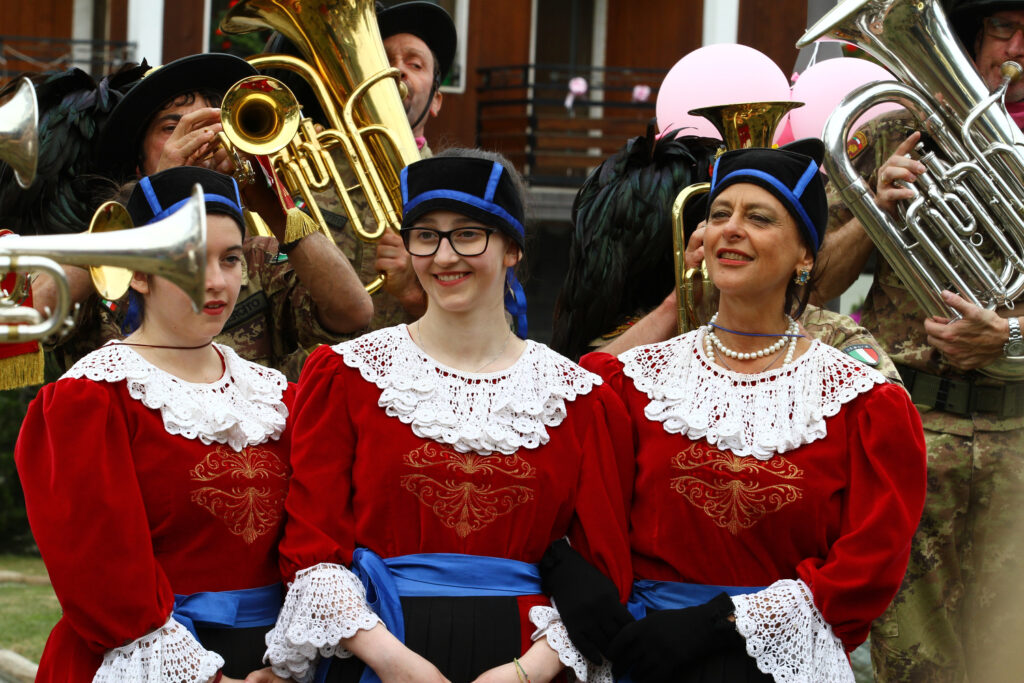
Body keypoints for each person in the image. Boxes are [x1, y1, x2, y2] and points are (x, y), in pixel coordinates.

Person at [544, 145, 926, 681]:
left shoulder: (863, 404)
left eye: (759, 217)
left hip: (779, 665)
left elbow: (869, 566)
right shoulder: (640, 383)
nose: (730, 228)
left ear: (805, 256)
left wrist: (730, 623)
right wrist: (568, 568)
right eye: (719, 214)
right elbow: (563, 429)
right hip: (644, 654)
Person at [258, 149, 633, 683]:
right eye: (426, 235)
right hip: (377, 655)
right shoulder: (347, 377)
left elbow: (605, 567)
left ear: (512, 250)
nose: (443, 256)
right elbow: (312, 544)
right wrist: (395, 663)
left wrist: (528, 672)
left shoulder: (579, 399)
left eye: (468, 234)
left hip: (526, 662)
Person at [15, 167, 295, 682]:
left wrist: (291, 659)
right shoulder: (93, 397)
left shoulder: (275, 396)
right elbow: (98, 570)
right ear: (137, 272)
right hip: (142, 658)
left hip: (272, 661)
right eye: (188, 259)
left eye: (230, 259)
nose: (215, 281)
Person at [814, 1, 1024, 678]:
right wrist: (873, 210)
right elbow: (810, 283)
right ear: (972, 35)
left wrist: (1010, 334)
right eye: (1003, 27)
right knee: (906, 665)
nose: (1018, 47)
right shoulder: (898, 131)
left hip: (1019, 441)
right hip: (906, 440)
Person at [33, 52, 372, 380]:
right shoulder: (100, 252)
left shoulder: (255, 258)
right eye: (171, 128)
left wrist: (270, 202)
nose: (202, 140)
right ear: (138, 163)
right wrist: (152, 193)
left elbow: (353, 313)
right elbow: (31, 314)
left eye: (214, 126)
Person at [266, 0, 458, 330]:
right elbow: (264, 273)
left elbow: (492, 326)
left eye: (415, 64)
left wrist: (414, 294)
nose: (397, 71)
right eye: (383, 60)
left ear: (437, 100)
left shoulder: (458, 193)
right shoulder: (306, 169)